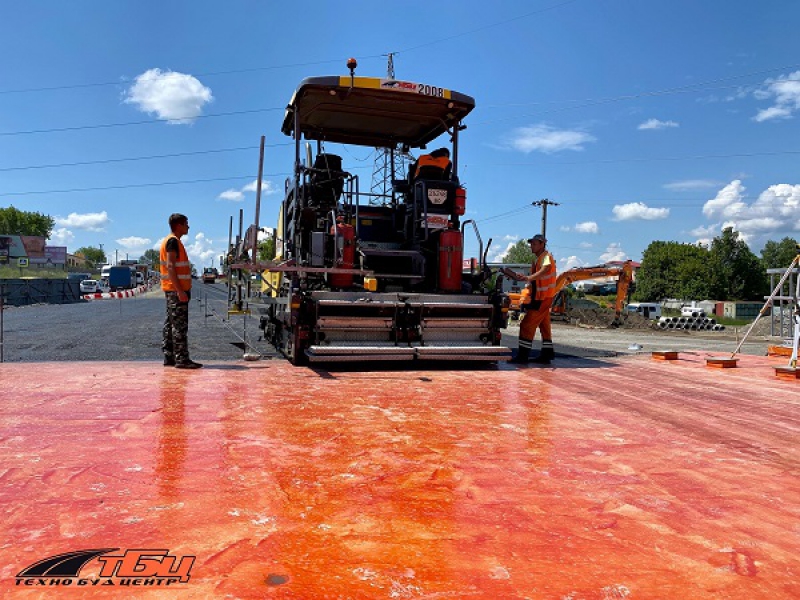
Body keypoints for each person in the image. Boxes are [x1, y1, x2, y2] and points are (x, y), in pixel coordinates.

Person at [503, 234, 557, 365]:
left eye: (534, 244)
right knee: (544, 326)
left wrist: (529, 278)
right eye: (531, 244)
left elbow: (546, 269)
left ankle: (523, 356)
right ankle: (547, 354)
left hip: (542, 298)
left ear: (542, 244)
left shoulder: (546, 257)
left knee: (526, 325)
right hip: (543, 297)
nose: (531, 246)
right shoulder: (539, 259)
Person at [160, 213, 202, 369]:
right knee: (179, 326)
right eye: (186, 224)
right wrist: (180, 291)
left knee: (170, 323)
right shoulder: (172, 242)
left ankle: (169, 356)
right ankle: (181, 359)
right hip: (176, 291)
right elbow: (171, 267)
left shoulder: (172, 241)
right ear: (179, 225)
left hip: (172, 290)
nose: (188, 227)